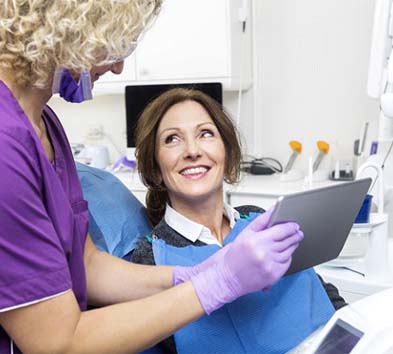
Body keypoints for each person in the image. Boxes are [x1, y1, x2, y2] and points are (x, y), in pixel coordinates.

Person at [0, 1, 304, 354]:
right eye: (112, 45)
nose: (117, 67)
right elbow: (57, 343)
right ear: (72, 30)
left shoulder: (46, 124)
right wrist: (217, 284)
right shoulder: (6, 146)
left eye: (206, 134)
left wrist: (201, 271)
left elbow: (88, 265)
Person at [132, 88, 346, 354]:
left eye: (206, 133)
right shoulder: (148, 260)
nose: (192, 150)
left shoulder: (261, 218)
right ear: (155, 166)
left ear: (227, 151)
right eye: (172, 139)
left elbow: (322, 293)